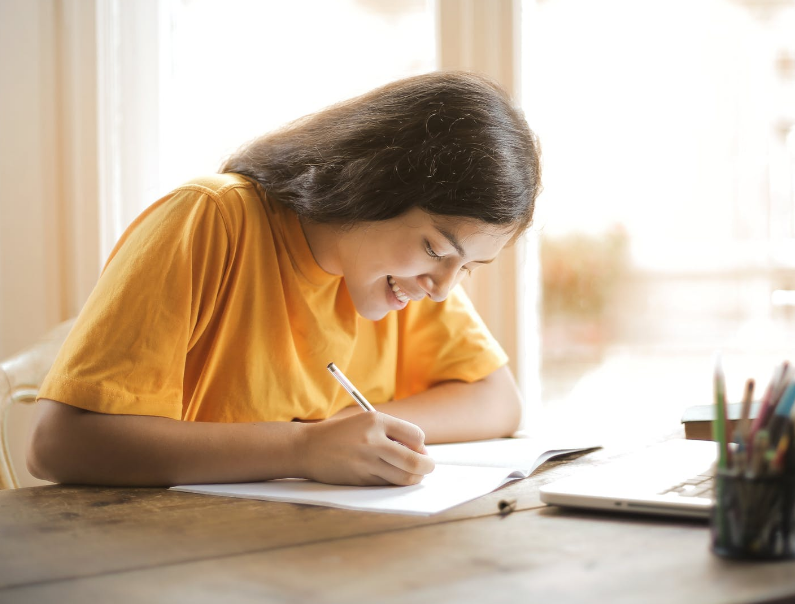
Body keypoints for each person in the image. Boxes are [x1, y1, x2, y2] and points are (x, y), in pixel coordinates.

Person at [27, 71, 541, 488]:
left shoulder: (409, 278)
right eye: (435, 249)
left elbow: (497, 400)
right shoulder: (211, 220)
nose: (444, 288)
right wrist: (303, 448)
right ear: (371, 186)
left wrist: (354, 431)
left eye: (467, 267)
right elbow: (58, 445)